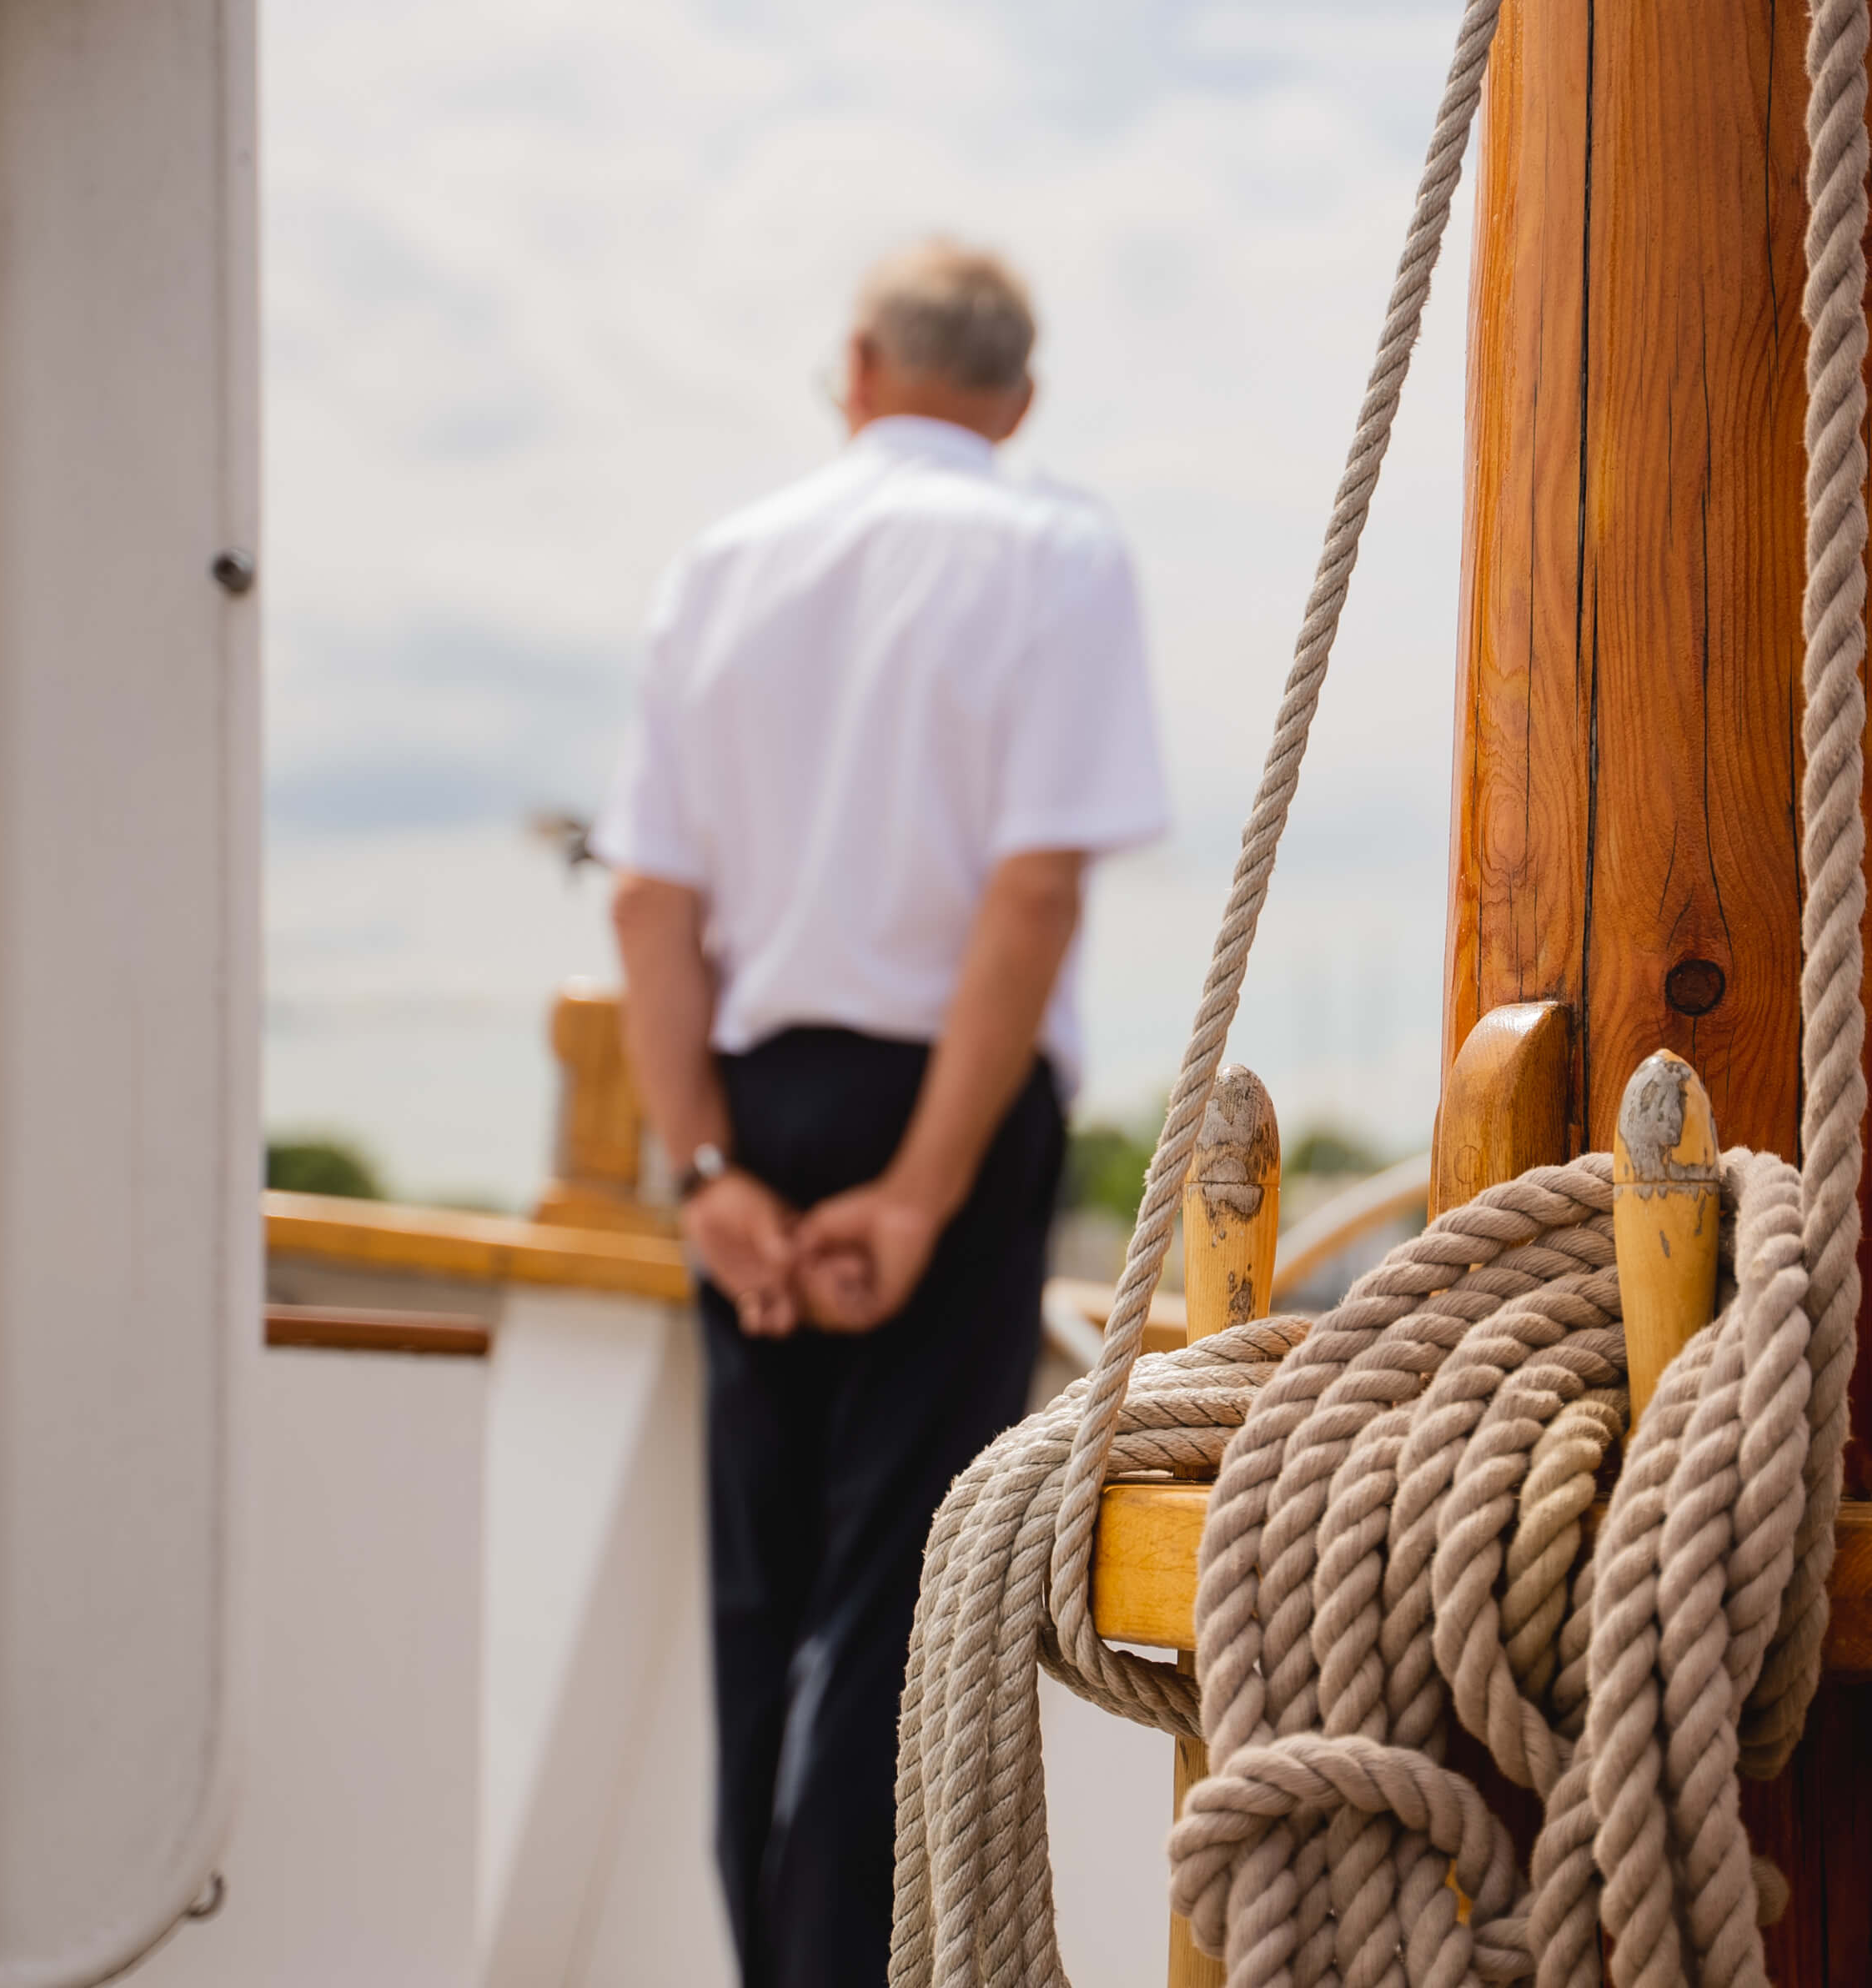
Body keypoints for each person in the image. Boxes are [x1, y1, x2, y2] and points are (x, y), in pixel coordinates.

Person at [592, 238, 1167, 1988]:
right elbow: (1029, 899)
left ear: (854, 367)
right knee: (902, 1606)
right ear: (1020, 400)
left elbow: (646, 906)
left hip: (754, 1112)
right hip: (952, 1114)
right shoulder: (1057, 554)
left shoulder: (722, 565)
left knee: (759, 1609)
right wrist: (921, 1193)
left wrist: (703, 1171)